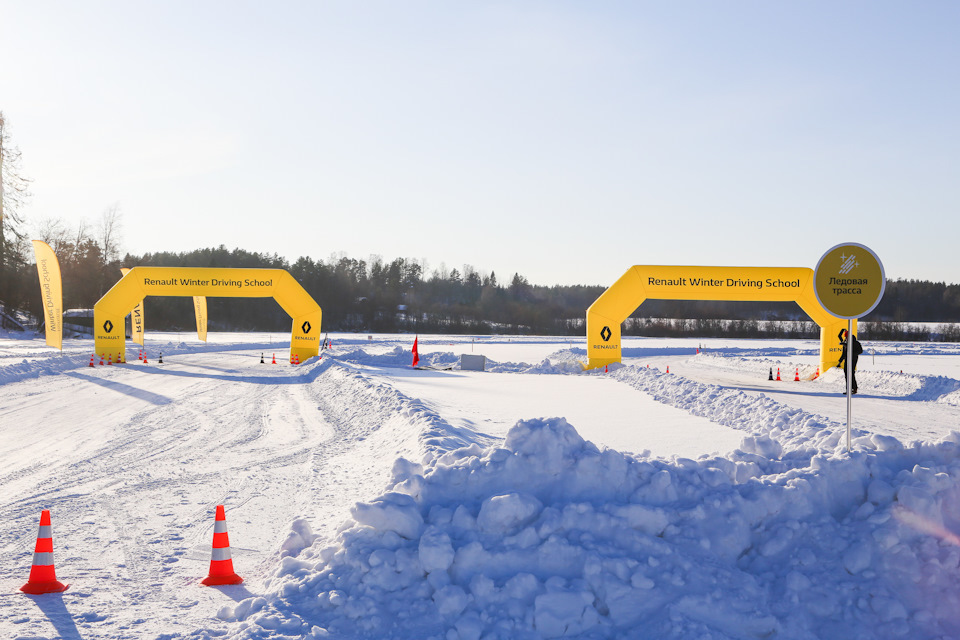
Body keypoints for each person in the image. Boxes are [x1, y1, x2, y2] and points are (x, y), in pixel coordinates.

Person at [836, 328, 863, 394]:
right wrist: (840, 362)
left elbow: (860, 351)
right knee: (846, 374)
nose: (845, 338)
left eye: (846, 337)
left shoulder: (855, 343)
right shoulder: (846, 343)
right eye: (845, 337)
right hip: (847, 360)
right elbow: (844, 353)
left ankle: (854, 388)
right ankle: (849, 389)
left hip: (853, 359)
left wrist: (851, 354)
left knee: (851, 373)